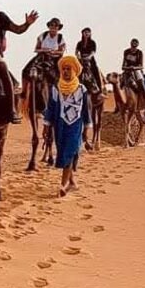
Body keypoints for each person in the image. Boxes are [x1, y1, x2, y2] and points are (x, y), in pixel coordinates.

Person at [44, 55, 94, 197]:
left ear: (74, 70)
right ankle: (71, 181)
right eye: (63, 69)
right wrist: (46, 127)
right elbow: (51, 108)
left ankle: (63, 184)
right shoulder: (56, 88)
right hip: (60, 126)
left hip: (75, 126)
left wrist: (86, 130)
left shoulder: (81, 89)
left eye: (68, 69)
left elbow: (85, 110)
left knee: (70, 152)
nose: (65, 71)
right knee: (63, 152)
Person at [121, 37, 145, 117]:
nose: (134, 45)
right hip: (127, 70)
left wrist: (134, 68)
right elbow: (123, 65)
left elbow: (141, 65)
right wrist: (127, 68)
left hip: (136, 70)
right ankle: (118, 105)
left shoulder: (139, 53)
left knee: (141, 83)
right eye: (133, 43)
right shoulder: (126, 52)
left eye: (135, 44)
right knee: (119, 84)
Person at [75, 27, 104, 92]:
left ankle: (100, 90)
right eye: (85, 32)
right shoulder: (79, 43)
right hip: (81, 60)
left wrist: (89, 57)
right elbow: (76, 51)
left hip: (90, 60)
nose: (86, 34)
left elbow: (93, 52)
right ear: (82, 34)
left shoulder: (92, 42)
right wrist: (78, 56)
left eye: (88, 32)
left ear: (90, 34)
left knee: (96, 71)